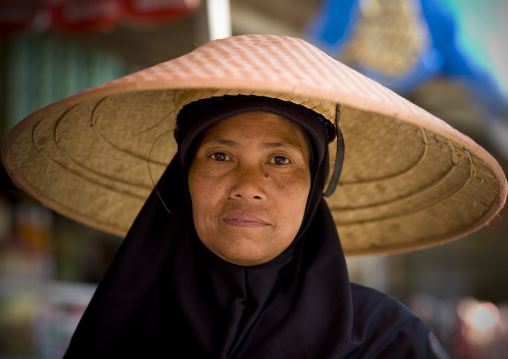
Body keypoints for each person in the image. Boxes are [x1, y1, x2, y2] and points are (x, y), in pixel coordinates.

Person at [2, 35, 506, 358]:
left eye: (280, 161)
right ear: (183, 177)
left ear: (314, 186)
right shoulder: (120, 332)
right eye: (219, 157)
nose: (248, 185)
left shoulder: (386, 341)